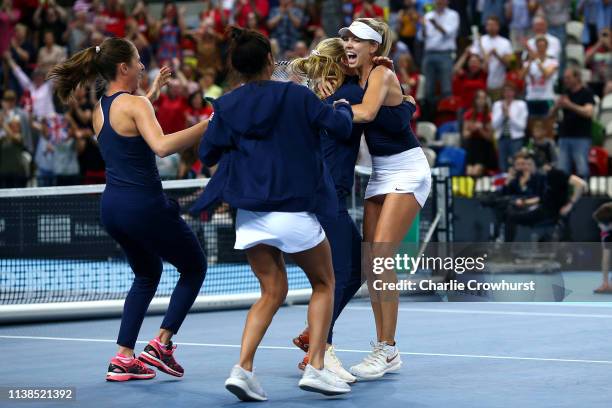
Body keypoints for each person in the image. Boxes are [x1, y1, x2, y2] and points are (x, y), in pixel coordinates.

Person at [193, 27, 353, 400]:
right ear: (269, 61)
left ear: (236, 67)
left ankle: (243, 368)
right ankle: (315, 367)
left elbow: (207, 154)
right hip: (294, 212)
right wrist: (339, 105)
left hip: (250, 216)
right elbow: (340, 128)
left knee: (271, 290)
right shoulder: (297, 95)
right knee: (324, 284)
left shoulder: (227, 104)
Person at [47, 37, 209, 382]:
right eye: (138, 61)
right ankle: (161, 344)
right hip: (145, 206)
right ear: (123, 67)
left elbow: (130, 123)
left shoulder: (101, 109)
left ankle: (124, 356)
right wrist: (209, 123)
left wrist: (151, 92)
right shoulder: (136, 105)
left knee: (147, 274)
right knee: (195, 267)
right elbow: (163, 147)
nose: (142, 66)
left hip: (113, 210)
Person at [340, 18, 431, 379]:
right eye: (346, 36)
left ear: (373, 48)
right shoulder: (354, 78)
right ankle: (384, 346)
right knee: (370, 260)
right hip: (379, 174)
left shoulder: (380, 74)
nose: (349, 42)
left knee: (380, 258)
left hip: (408, 170)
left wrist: (322, 112)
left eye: (358, 39)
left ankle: (387, 348)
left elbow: (365, 114)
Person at [289, 38, 366, 384]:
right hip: (324, 196)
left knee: (360, 267)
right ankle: (321, 352)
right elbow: (380, 107)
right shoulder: (348, 93)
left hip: (323, 194)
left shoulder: (315, 97)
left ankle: (314, 336)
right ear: (342, 65)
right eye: (349, 55)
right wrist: (405, 105)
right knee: (333, 278)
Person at [549, 67, 595, 180]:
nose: (566, 80)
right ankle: (563, 195)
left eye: (568, 78)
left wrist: (570, 105)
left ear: (577, 78)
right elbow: (549, 115)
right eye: (565, 78)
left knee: (582, 169)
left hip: (580, 136)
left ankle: (583, 194)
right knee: (562, 169)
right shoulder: (565, 94)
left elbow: (588, 112)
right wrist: (556, 106)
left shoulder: (586, 93)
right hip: (564, 136)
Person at [421, 0, 459, 111]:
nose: (439, 1)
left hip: (445, 54)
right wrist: (423, 28)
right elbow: (421, 37)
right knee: (428, 89)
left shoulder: (453, 15)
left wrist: (435, 24)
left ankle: (447, 117)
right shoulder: (428, 15)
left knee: (446, 88)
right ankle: (432, 118)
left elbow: (448, 33)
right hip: (428, 54)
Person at [470, 16, 513, 101]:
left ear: (498, 26)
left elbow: (510, 64)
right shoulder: (480, 40)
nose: (491, 27)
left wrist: (497, 55)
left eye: (493, 25)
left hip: (498, 83)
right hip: (481, 82)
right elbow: (473, 60)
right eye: (489, 25)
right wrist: (486, 57)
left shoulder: (505, 42)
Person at [492, 82, 528, 172]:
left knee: (516, 163)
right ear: (502, 93)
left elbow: (522, 126)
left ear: (514, 92)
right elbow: (494, 125)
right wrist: (503, 115)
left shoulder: (521, 105)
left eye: (510, 91)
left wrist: (509, 116)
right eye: (505, 91)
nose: (508, 94)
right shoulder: (497, 105)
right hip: (502, 138)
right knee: (502, 163)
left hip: (516, 138)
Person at [521, 36, 558, 117]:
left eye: (542, 46)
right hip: (531, 97)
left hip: (546, 97)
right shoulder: (528, 63)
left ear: (546, 47)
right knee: (531, 124)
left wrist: (537, 60)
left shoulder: (552, 61)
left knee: (547, 122)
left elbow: (547, 74)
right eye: (539, 46)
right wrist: (530, 61)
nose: (541, 48)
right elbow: (521, 77)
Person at [463, 89, 497, 176]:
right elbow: (465, 135)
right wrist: (472, 129)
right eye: (479, 98)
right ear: (475, 100)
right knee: (469, 171)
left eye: (483, 98)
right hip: (472, 146)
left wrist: (481, 129)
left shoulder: (489, 115)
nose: (481, 101)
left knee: (476, 171)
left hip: (484, 146)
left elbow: (490, 137)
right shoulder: (469, 114)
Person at [593, 202, 612, 293]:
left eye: (601, 224)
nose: (598, 226)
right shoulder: (607, 234)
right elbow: (606, 258)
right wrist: (605, 283)